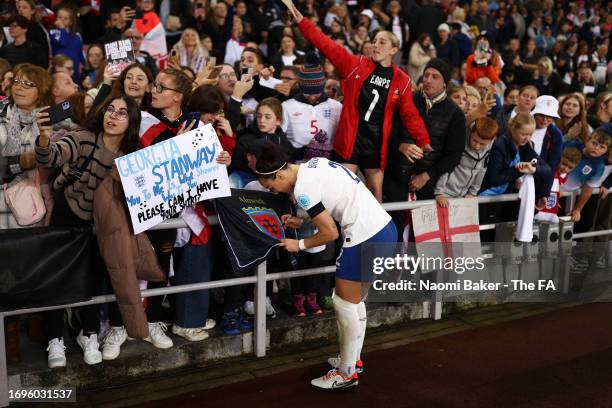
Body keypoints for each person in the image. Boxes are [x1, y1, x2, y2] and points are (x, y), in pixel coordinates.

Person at [255, 142, 397, 389]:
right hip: (384, 228)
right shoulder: (314, 163)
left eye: (272, 186)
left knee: (343, 303)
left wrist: (297, 245)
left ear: (278, 174)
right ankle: (353, 361)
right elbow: (333, 198)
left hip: (364, 236)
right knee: (355, 301)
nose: (276, 191)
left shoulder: (302, 189)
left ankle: (346, 373)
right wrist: (303, 221)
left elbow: (329, 233)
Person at [281, 0, 430, 202]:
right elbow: (325, 44)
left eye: (382, 42)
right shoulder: (355, 64)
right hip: (351, 141)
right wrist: (302, 21)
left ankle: (373, 233)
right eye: (375, 40)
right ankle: (342, 234)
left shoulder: (401, 80)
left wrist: (423, 140)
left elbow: (409, 114)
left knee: (376, 192)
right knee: (342, 192)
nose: (375, 45)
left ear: (394, 50)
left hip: (376, 145)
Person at [34, 95, 141, 367]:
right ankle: (55, 339)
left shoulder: (131, 156)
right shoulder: (82, 136)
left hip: (100, 223)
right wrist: (45, 137)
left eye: (122, 113)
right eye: (110, 110)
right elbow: (49, 157)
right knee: (59, 277)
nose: (113, 116)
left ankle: (89, 334)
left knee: (90, 278)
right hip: (67, 210)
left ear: (131, 123)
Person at [281, 53, 342, 161]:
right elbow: (279, 137)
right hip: (297, 162)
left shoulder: (336, 107)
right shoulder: (287, 106)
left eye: (316, 92)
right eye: (307, 93)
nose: (312, 96)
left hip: (328, 163)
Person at [434, 117, 498, 207]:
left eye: (482, 144)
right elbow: (448, 164)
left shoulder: (489, 145)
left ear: (493, 139)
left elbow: (482, 170)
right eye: (474, 140)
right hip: (444, 193)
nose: (477, 146)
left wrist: (473, 192)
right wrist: (439, 192)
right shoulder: (461, 139)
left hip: (464, 196)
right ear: (471, 131)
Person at [561, 129, 611, 222]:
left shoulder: (599, 166)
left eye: (602, 147)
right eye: (594, 143)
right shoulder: (571, 145)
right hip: (551, 190)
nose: (596, 148)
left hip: (567, 197)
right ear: (587, 140)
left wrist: (577, 210)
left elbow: (588, 189)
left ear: (606, 151)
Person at [534, 146, 582, 223]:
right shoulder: (548, 168)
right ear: (559, 158)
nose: (565, 169)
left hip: (552, 211)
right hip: (537, 209)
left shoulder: (565, 175)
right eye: (564, 164)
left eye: (570, 167)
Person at [49, 6, 85, 83]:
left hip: (74, 69)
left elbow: (80, 53)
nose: (62, 20)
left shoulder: (77, 35)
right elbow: (63, 42)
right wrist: (62, 29)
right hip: (60, 69)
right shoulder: (52, 33)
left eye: (65, 18)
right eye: (60, 17)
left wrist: (85, 65)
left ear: (71, 22)